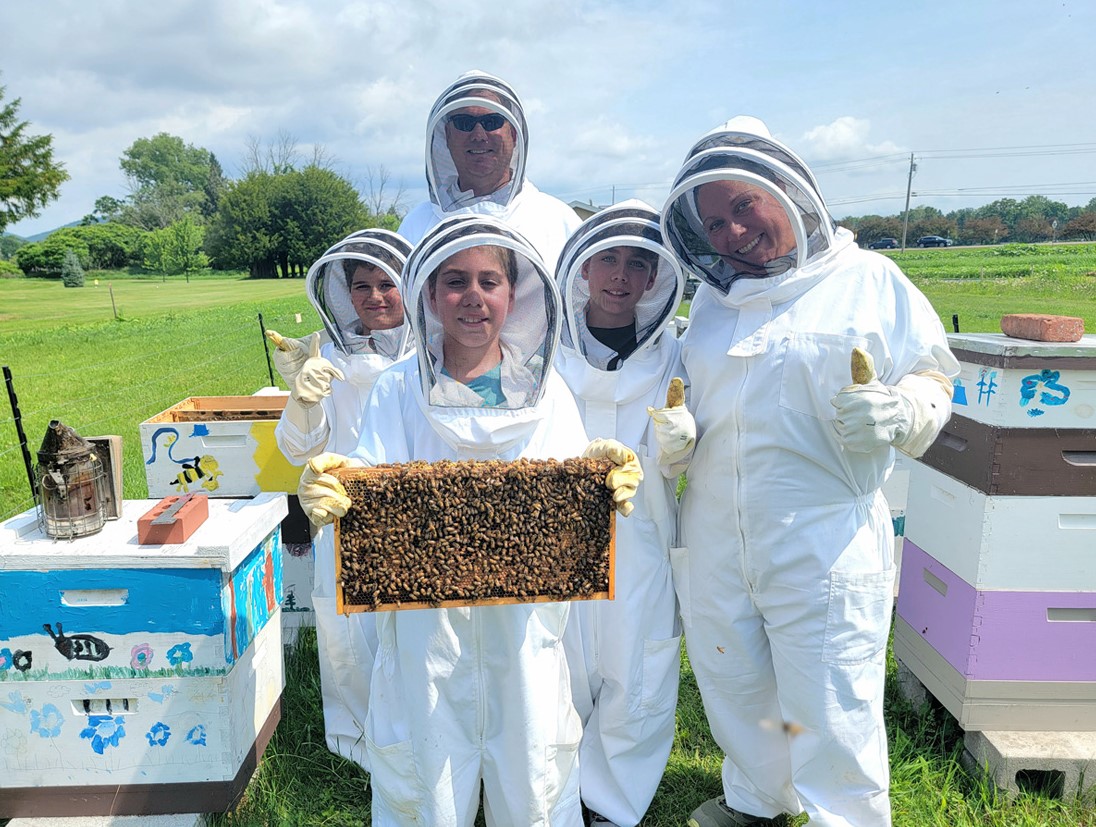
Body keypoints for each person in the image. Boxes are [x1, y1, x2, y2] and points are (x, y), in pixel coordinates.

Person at [660, 116, 959, 827]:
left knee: (832, 698)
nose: (732, 232)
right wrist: (678, 438)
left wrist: (901, 412)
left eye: (743, 206)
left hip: (821, 534)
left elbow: (932, 377)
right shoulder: (710, 300)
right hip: (714, 536)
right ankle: (760, 797)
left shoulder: (868, 281)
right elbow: (697, 402)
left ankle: (845, 816)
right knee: (736, 683)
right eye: (715, 221)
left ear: (789, 192)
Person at [296, 214, 643, 827]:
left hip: (524, 625)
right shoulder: (398, 389)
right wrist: (335, 486)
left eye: (490, 281)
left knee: (532, 776)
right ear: (429, 294)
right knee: (425, 782)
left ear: (515, 295)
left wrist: (595, 478)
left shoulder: (548, 391)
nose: (473, 297)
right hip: (423, 629)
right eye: (455, 282)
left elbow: (564, 481)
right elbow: (370, 474)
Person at [554, 200, 691, 826]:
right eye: (607, 259)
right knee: (556, 667)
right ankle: (549, 791)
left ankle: (610, 804)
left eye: (637, 264)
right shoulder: (544, 354)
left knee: (636, 671)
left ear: (654, 278)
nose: (619, 276)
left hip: (642, 539)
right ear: (582, 269)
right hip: (553, 540)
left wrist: (684, 439)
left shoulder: (676, 354)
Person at [265, 228, 413, 773]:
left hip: (410, 508)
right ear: (342, 293)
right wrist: (302, 399)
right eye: (360, 286)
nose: (374, 297)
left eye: (386, 284)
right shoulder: (329, 354)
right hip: (339, 507)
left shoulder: (433, 352)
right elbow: (298, 446)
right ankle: (356, 747)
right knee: (345, 629)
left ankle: (413, 735)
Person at [398, 70, 581, 270]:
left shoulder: (558, 221)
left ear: (513, 133)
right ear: (447, 135)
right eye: (464, 123)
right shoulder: (416, 225)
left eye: (492, 122)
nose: (479, 135)